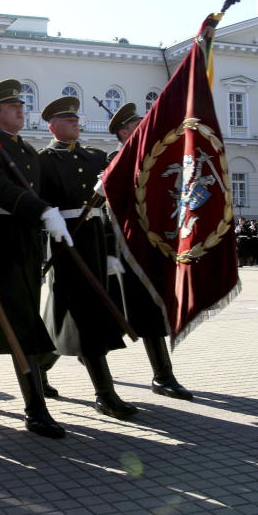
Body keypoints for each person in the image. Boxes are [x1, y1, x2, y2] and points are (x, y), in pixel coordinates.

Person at [0, 79, 73, 439]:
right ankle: (35, 410)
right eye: (13, 108)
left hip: (27, 243)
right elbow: (3, 191)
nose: (21, 112)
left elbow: (42, 191)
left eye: (22, 107)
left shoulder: (26, 150)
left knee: (1, 320)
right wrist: (42, 210)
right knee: (21, 324)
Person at [37, 95, 138, 420]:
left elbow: (107, 211)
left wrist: (109, 251)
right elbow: (38, 205)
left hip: (93, 240)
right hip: (65, 243)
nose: (76, 124)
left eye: (77, 120)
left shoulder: (95, 157)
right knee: (84, 316)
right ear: (53, 126)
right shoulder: (44, 160)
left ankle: (39, 368)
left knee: (72, 316)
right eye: (68, 121)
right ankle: (105, 394)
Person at [97, 103, 193, 400]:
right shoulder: (117, 162)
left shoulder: (156, 160)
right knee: (99, 315)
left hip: (151, 247)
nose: (147, 128)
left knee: (150, 311)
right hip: (122, 253)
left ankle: (162, 376)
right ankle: (59, 358)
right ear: (125, 132)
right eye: (139, 124)